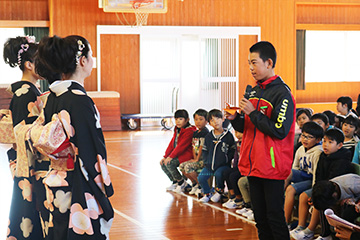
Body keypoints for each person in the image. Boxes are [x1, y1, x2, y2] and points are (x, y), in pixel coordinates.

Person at [34, 35, 114, 239]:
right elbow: (92, 152)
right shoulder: (79, 101)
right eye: (91, 54)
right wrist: (103, 190)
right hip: (77, 183)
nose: (92, 59)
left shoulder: (52, 97)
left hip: (56, 179)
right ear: (82, 60)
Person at [226, 41, 296, 240]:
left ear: (269, 63)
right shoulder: (254, 90)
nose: (250, 67)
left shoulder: (282, 93)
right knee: (260, 218)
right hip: (253, 163)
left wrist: (254, 113)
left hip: (272, 166)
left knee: (274, 217)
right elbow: (248, 127)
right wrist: (236, 119)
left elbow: (280, 130)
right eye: (249, 62)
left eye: (254, 62)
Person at [3, 36, 44, 240]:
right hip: (29, 163)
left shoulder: (29, 90)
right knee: (28, 209)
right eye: (41, 60)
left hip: (29, 160)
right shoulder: (25, 93)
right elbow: (26, 132)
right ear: (29, 65)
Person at [291, 128, 353, 240]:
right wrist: (315, 191)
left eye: (330, 142)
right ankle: (302, 226)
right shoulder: (323, 156)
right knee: (306, 196)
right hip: (324, 187)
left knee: (321, 199)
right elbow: (318, 175)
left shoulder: (343, 160)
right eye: (324, 141)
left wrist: (316, 194)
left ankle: (317, 232)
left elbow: (332, 182)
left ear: (339, 146)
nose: (325, 145)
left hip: (338, 192)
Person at [284, 122, 324, 226]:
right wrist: (293, 184)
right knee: (289, 186)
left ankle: (295, 224)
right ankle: (285, 222)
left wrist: (314, 191)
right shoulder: (301, 148)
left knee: (301, 194)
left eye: (309, 137)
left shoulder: (318, 152)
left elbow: (316, 174)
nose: (305, 139)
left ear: (318, 140)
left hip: (312, 179)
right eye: (303, 136)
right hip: (302, 176)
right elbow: (295, 167)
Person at [198, 109, 236, 203]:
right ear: (209, 123)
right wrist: (207, 162)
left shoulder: (228, 136)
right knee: (201, 177)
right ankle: (207, 193)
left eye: (218, 118)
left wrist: (227, 159)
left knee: (219, 174)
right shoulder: (209, 136)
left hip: (223, 166)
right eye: (212, 120)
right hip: (210, 166)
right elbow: (205, 150)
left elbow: (232, 150)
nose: (215, 122)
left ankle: (219, 191)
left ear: (223, 119)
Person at [312, 174, 360, 240]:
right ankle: (326, 235)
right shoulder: (326, 189)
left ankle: (350, 235)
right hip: (349, 201)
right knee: (323, 207)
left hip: (357, 201)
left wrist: (357, 202)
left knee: (346, 214)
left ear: (334, 195)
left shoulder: (353, 184)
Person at [161, 109, 196, 192]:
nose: (178, 121)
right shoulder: (177, 129)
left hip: (186, 155)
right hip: (179, 154)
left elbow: (181, 147)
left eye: (180, 119)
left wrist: (171, 157)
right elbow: (172, 143)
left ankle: (182, 182)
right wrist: (166, 156)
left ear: (187, 120)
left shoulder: (190, 131)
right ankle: (175, 182)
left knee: (169, 163)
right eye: (176, 119)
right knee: (163, 163)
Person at [178, 109, 209, 194]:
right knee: (181, 166)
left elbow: (201, 147)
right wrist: (194, 158)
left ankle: (200, 185)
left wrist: (197, 159)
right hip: (197, 158)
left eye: (201, 119)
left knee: (188, 167)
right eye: (196, 119)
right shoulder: (195, 133)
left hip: (203, 160)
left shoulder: (205, 133)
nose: (198, 122)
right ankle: (194, 183)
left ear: (206, 121)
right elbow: (193, 146)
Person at [222, 130, 243, 209]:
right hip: (239, 167)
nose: (238, 134)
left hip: (246, 168)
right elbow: (236, 157)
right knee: (227, 172)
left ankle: (239, 199)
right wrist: (234, 167)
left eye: (240, 132)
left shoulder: (248, 143)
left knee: (233, 176)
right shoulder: (237, 143)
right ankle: (233, 196)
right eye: (236, 132)